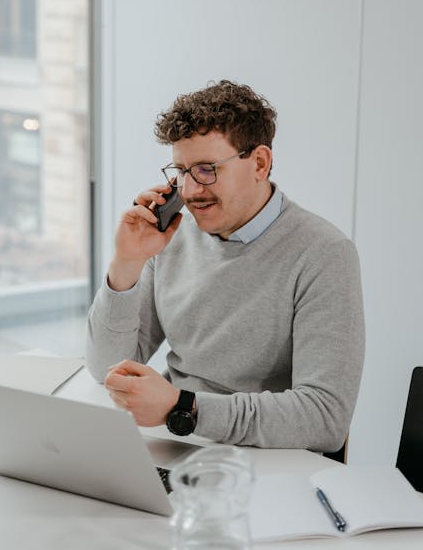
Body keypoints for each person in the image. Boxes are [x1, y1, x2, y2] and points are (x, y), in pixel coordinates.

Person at [86, 79, 365, 451]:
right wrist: (127, 263)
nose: (188, 190)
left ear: (260, 163)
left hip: (264, 463)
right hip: (177, 440)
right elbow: (107, 368)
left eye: (206, 169)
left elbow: (325, 418)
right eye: (181, 171)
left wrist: (182, 407)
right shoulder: (173, 237)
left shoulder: (324, 254)